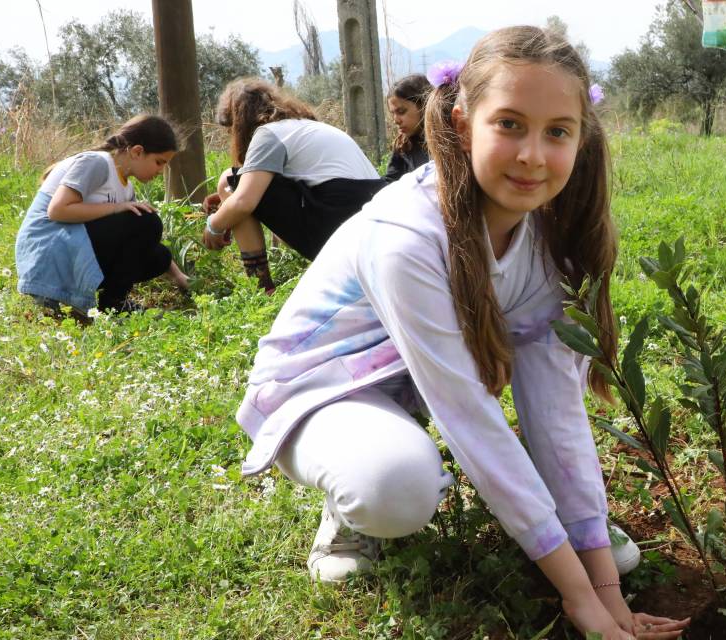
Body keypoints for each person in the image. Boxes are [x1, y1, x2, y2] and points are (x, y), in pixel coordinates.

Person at [234, 27, 689, 640]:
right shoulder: (406, 237)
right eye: (509, 124)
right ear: (461, 121)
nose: (532, 154)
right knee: (395, 487)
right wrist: (577, 598)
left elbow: (557, 413)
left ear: (582, 140)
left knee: (579, 519)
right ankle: (351, 506)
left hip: (421, 385)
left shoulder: (552, 244)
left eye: (557, 131)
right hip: (327, 388)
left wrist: (607, 589)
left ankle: (552, 526)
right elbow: (470, 419)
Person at [202, 78, 387, 292]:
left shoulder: (268, 134)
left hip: (339, 219)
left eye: (230, 130)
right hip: (373, 221)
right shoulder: (305, 127)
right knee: (238, 185)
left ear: (240, 121)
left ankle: (261, 288)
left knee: (230, 181)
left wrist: (214, 225)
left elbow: (244, 202)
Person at [15, 114, 188, 316]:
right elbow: (57, 210)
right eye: (159, 162)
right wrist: (116, 208)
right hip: (48, 252)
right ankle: (114, 302)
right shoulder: (96, 163)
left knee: (159, 256)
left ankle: (107, 301)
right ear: (137, 152)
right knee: (147, 221)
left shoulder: (126, 187)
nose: (161, 171)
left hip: (73, 245)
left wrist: (178, 276)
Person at [383, 73, 432, 182]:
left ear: (424, 105)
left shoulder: (449, 142)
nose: (396, 120)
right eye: (393, 113)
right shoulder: (403, 145)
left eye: (401, 111)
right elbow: (390, 182)